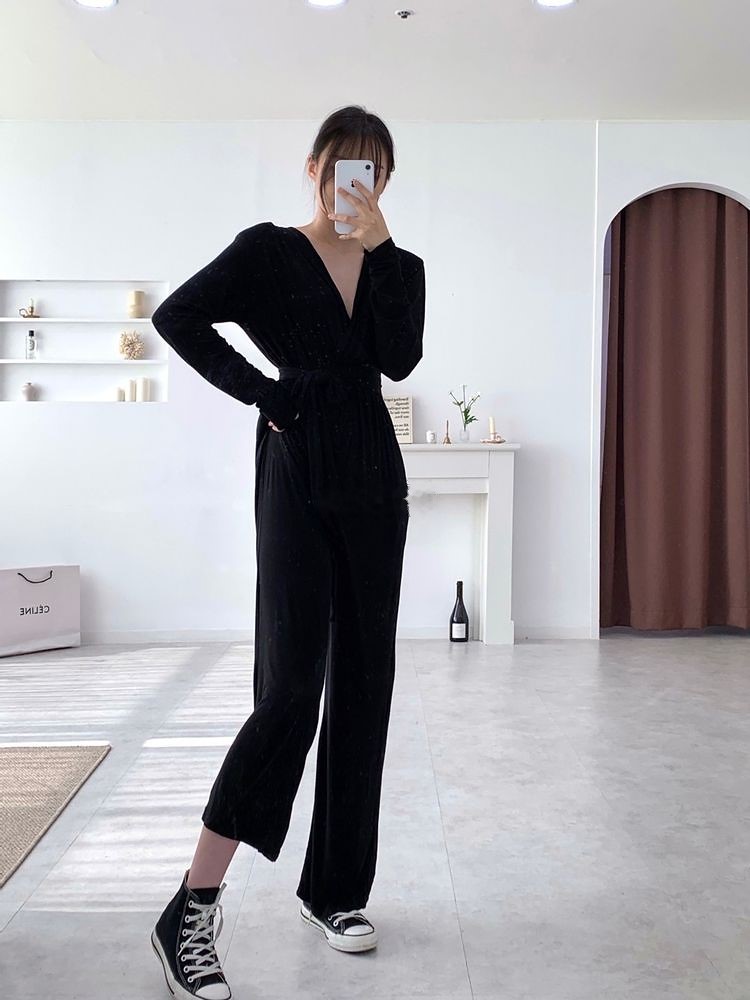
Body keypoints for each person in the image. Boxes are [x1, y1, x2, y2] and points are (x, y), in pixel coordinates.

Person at [149, 104, 426, 1000]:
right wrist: (264, 392)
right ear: (314, 168)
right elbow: (180, 316)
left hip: (374, 479)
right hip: (297, 467)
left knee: (365, 686)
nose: (357, 181)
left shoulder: (401, 267)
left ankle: (334, 892)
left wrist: (382, 250)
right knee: (291, 688)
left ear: (385, 182)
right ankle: (192, 905)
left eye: (374, 169)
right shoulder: (267, 252)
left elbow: (400, 361)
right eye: (345, 164)